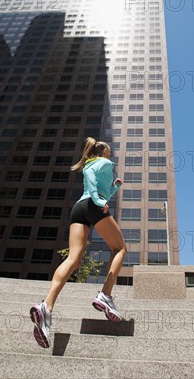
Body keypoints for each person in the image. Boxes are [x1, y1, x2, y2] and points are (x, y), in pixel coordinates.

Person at [30, 137, 127, 348]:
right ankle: (106, 295)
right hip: (93, 204)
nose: (111, 156)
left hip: (79, 207)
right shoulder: (105, 163)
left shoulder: (90, 162)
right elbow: (92, 180)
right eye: (109, 153)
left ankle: (46, 307)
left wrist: (113, 189)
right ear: (104, 152)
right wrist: (100, 200)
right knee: (120, 248)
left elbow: (97, 186)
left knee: (74, 259)